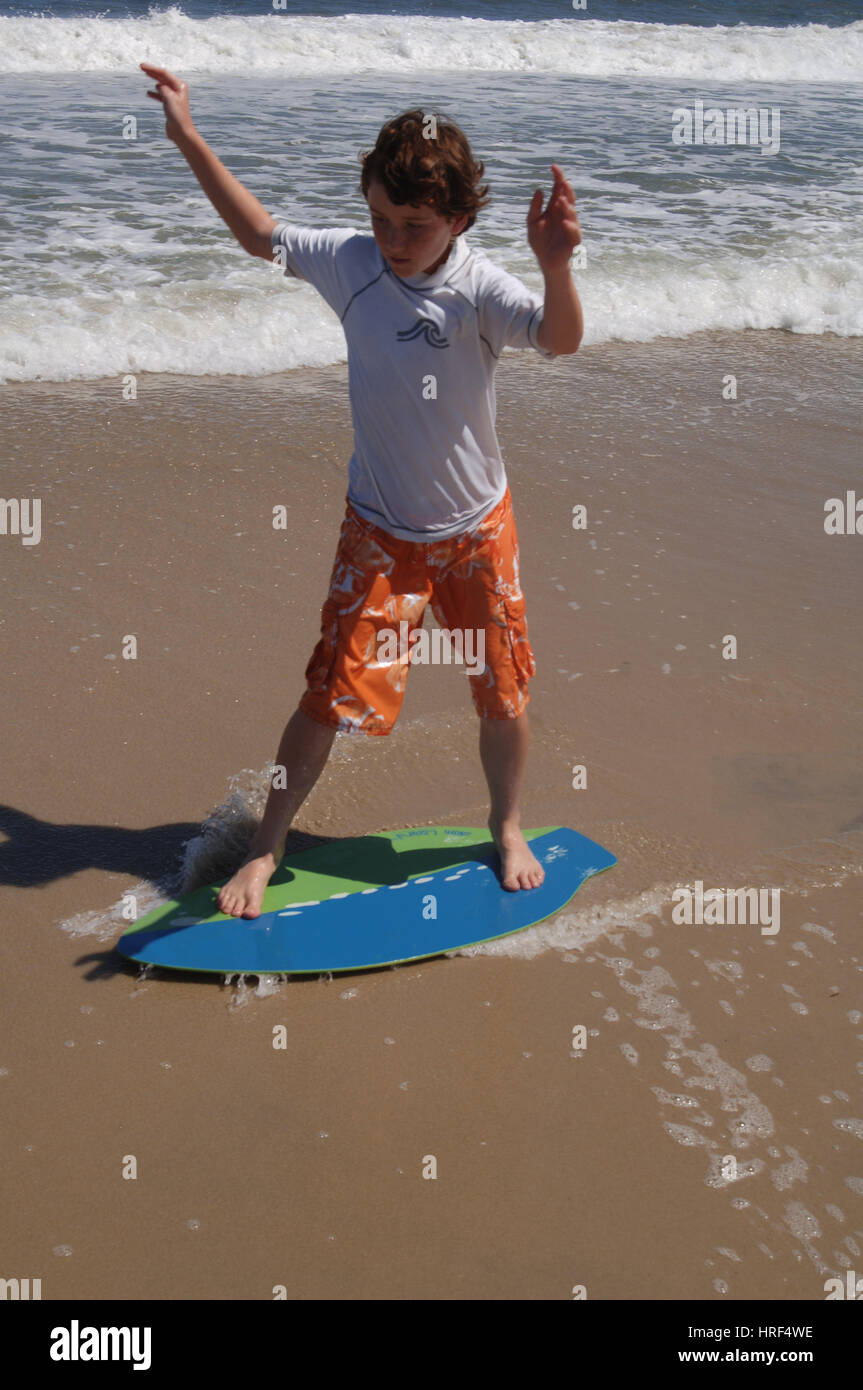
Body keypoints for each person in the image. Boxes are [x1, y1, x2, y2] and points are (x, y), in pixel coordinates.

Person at [140, 64, 583, 917]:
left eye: (412, 225)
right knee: (325, 694)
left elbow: (559, 342)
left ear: (459, 219)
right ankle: (266, 849)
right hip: (379, 533)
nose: (390, 239)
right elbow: (259, 234)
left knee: (502, 689)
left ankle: (508, 824)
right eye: (379, 217)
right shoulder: (350, 264)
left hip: (477, 530)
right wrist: (188, 136)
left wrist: (556, 265)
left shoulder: (481, 287)